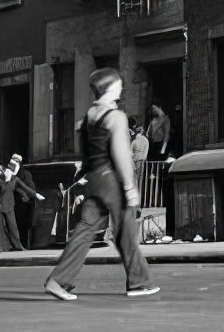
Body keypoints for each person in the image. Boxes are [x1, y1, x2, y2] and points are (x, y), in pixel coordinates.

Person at [44, 67, 159, 300]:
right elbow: (121, 154)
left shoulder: (89, 117)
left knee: (85, 229)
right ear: (110, 88)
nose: (121, 86)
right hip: (112, 181)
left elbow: (86, 154)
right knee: (126, 231)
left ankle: (58, 280)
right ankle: (138, 283)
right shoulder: (116, 117)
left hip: (94, 179)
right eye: (118, 83)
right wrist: (130, 187)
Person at [0, 158, 43, 251]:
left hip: (9, 205)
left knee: (13, 226)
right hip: (0, 205)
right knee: (0, 227)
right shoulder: (0, 178)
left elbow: (25, 188)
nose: (8, 171)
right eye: (7, 169)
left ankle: (19, 246)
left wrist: (36, 195)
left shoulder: (15, 179)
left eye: (10, 169)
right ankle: (2, 247)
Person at [9, 153, 38, 247]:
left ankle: (23, 244)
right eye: (12, 160)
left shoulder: (25, 173)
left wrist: (27, 197)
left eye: (16, 160)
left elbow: (30, 187)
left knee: (21, 225)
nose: (13, 162)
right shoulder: (9, 172)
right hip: (11, 202)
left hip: (21, 203)